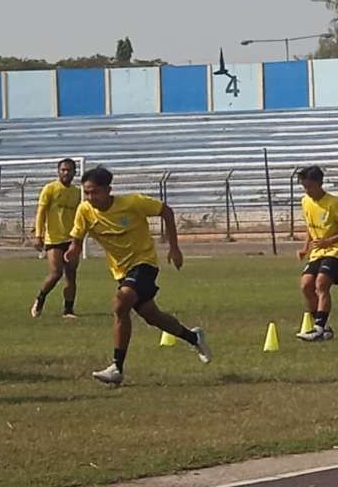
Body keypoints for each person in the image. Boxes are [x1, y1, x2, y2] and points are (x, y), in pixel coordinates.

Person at [64, 167, 211, 385]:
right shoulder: (85, 210)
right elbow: (77, 237)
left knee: (120, 302)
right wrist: (74, 249)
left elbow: (166, 211)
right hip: (121, 271)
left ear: (108, 190)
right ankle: (193, 337)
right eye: (86, 192)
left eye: (94, 192)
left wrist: (174, 248)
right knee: (151, 315)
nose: (90, 197)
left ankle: (117, 367)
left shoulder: (132, 203)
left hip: (144, 263)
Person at [296, 165, 338, 342]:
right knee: (306, 285)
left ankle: (318, 328)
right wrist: (305, 247)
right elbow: (310, 226)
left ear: (320, 183)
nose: (307, 191)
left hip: (335, 252)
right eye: (304, 187)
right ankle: (323, 327)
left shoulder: (333, 203)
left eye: (310, 187)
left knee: (321, 284)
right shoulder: (305, 201)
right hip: (317, 252)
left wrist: (329, 241)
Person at [31, 158, 82, 319]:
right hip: (53, 239)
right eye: (63, 170)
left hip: (71, 238)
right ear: (58, 171)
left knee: (71, 274)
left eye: (69, 170)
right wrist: (38, 234)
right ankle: (40, 298)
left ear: (74, 172)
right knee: (55, 273)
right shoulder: (50, 189)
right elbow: (41, 213)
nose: (66, 173)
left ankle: (68, 310)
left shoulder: (76, 192)